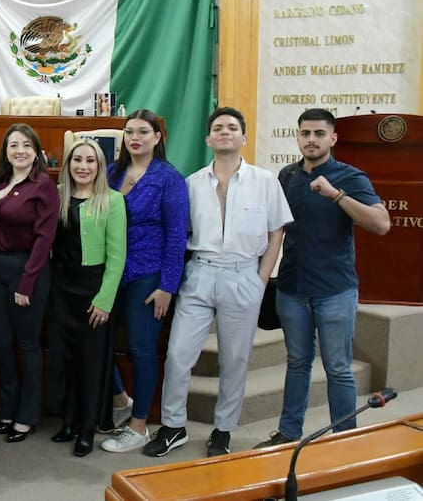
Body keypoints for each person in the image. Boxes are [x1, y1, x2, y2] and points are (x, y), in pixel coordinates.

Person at [144, 107, 292, 458]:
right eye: (218, 127)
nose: (225, 131)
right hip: (199, 273)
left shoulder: (265, 181)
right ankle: (173, 426)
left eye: (232, 127)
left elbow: (277, 231)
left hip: (244, 274)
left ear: (244, 137)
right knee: (178, 355)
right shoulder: (191, 183)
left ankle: (223, 430)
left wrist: (260, 280)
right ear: (208, 139)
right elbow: (179, 233)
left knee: (235, 359)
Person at [255, 108, 390, 449]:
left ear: (333, 138)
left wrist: (336, 195)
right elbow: (273, 229)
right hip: (292, 287)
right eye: (305, 133)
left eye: (319, 134)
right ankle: (288, 432)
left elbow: (381, 224)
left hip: (334, 289)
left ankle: (344, 440)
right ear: (297, 137)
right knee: (297, 362)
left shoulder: (350, 176)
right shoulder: (286, 176)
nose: (311, 140)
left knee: (338, 368)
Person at [102, 109, 188, 453]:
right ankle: (120, 398)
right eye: (129, 132)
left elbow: (177, 235)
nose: (134, 138)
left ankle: (139, 426)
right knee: (97, 342)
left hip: (147, 273)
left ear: (157, 137)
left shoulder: (169, 178)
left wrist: (168, 286)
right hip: (109, 270)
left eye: (142, 132)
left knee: (141, 349)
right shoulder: (111, 172)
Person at [47, 139, 127, 457]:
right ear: (68, 164)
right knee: (65, 358)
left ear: (100, 166)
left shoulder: (113, 201)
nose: (83, 166)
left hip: (93, 288)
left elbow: (117, 256)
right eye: (77, 160)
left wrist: (105, 300)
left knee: (91, 363)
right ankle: (68, 422)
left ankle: (87, 429)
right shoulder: (57, 196)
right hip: (61, 288)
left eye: (90, 161)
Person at [0, 123, 60, 443]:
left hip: (29, 270)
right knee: (1, 342)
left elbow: (45, 238)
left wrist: (27, 282)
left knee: (28, 344)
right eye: (14, 145)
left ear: (37, 151)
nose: (20, 151)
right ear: (6, 151)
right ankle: (7, 410)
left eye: (27, 145)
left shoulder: (43, 185)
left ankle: (27, 415)